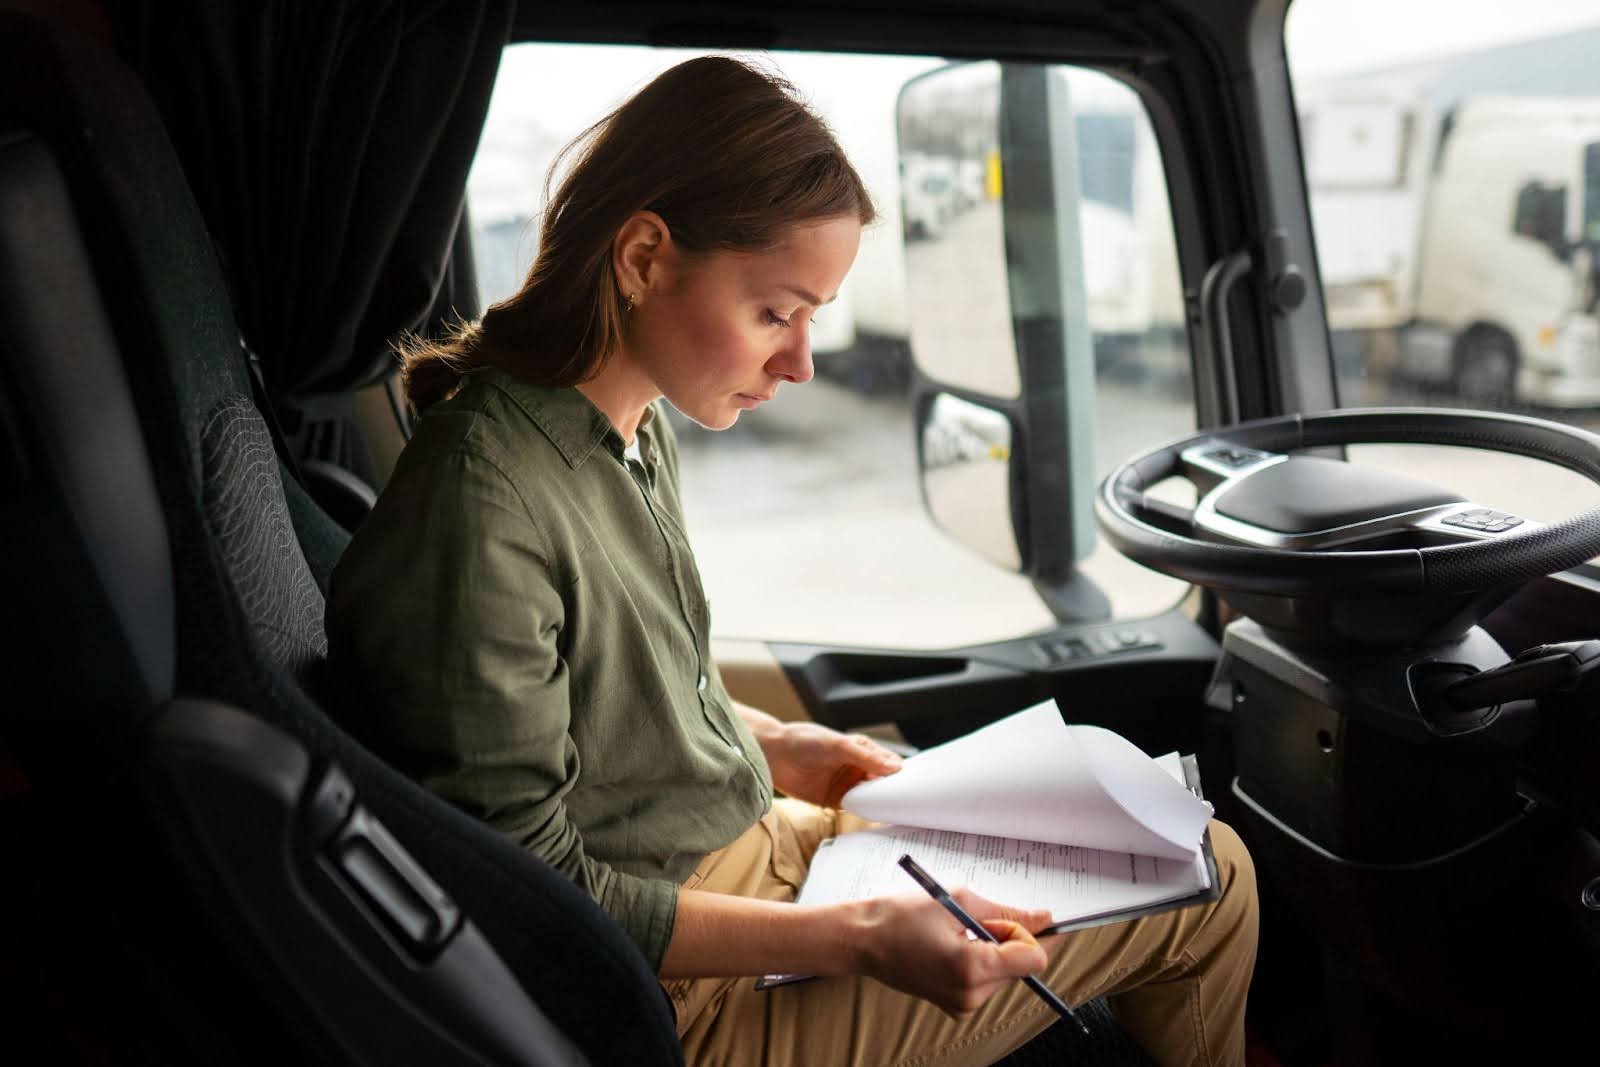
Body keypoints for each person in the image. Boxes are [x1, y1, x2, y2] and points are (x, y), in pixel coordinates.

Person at [326, 55, 1258, 1066]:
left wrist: (778, 744)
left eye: (812, 316)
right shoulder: (484, 503)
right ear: (643, 257)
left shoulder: (625, 423)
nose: (802, 362)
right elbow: (527, 885)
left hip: (748, 848)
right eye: (775, 311)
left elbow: (622, 700)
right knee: (1210, 878)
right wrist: (857, 936)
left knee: (1154, 838)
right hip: (681, 989)